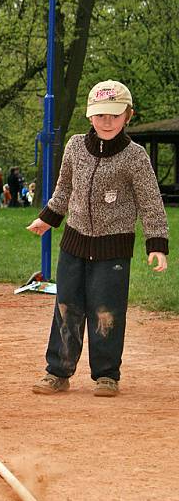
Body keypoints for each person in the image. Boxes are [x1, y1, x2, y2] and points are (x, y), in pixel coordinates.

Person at [27, 79, 168, 398]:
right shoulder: (75, 146)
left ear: (128, 116)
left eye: (114, 115)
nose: (107, 122)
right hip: (74, 244)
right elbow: (64, 189)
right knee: (67, 306)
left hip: (112, 249)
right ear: (90, 115)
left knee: (108, 310)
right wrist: (47, 218)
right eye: (100, 115)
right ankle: (57, 371)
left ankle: (106, 374)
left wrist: (156, 244)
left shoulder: (135, 156)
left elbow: (150, 202)